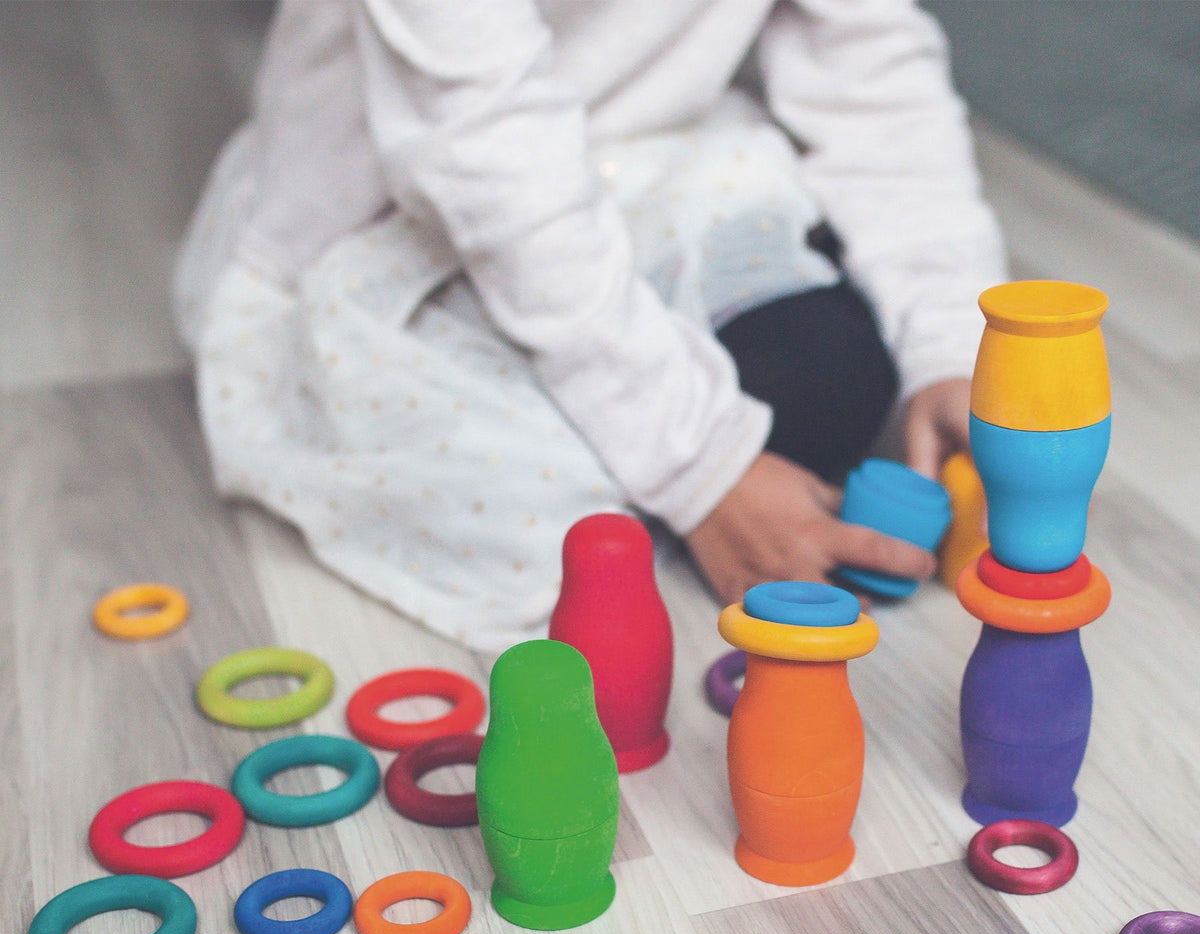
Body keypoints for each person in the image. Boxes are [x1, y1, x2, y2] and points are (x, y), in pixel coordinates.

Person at [174, 0, 1006, 651]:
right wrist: (699, 466)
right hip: (421, 200)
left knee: (833, 383)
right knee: (548, 523)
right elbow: (484, 148)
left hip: (658, 156)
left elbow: (873, 76)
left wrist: (947, 336)